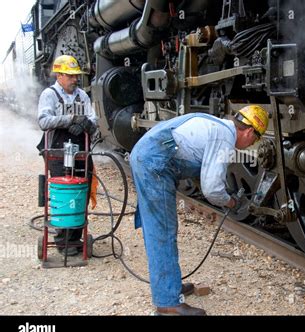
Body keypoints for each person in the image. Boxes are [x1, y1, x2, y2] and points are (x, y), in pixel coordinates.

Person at [130, 105, 269, 315]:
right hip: (154, 165)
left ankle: (170, 286)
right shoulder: (224, 138)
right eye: (255, 140)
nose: (252, 144)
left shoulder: (217, 125)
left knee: (160, 230)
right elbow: (212, 190)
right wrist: (231, 202)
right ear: (249, 132)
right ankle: (168, 302)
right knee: (163, 232)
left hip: (149, 157)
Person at [37, 55, 98, 256]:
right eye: (70, 76)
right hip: (57, 150)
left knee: (81, 189)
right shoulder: (50, 94)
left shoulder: (82, 95)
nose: (75, 79)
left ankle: (75, 237)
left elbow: (92, 118)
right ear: (60, 75)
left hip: (81, 149)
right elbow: (44, 121)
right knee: (62, 191)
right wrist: (69, 119)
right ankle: (62, 239)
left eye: (76, 76)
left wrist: (87, 124)